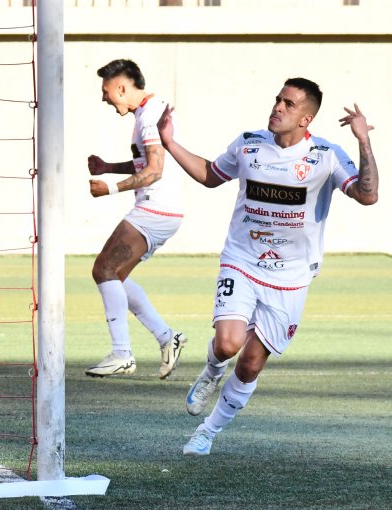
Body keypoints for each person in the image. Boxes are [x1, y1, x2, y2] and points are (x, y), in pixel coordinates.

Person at [156, 78, 378, 456]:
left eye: (288, 104)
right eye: (278, 100)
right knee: (227, 344)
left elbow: (367, 194)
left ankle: (207, 432)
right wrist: (170, 143)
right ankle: (210, 371)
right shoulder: (249, 144)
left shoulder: (325, 155)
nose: (277, 107)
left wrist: (363, 140)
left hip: (290, 279)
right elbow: (211, 175)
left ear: (306, 118)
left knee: (251, 364)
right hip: (242, 261)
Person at [84, 59, 188, 379]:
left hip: (156, 209)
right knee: (118, 277)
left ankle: (122, 354)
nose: (104, 98)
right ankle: (167, 338)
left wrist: (110, 188)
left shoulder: (149, 117)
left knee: (103, 269)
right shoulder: (148, 112)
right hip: (163, 210)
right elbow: (146, 163)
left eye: (106, 91)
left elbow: (155, 171)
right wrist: (108, 167)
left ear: (121, 87)